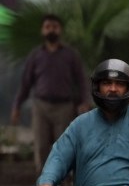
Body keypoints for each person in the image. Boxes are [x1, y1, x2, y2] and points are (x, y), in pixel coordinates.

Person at [10, 14, 92, 172]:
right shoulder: (36, 55)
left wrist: (84, 101)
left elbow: (81, 80)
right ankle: (44, 183)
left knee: (63, 145)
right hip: (41, 106)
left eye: (54, 27)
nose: (51, 30)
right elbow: (26, 83)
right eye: (47, 27)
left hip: (64, 106)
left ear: (60, 30)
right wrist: (17, 105)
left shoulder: (70, 55)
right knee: (41, 146)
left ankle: (63, 181)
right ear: (43, 30)